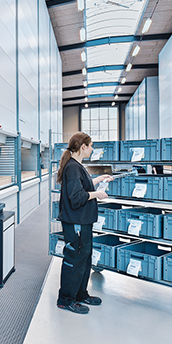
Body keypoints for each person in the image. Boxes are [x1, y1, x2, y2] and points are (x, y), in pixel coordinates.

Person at [56, 132, 114, 314]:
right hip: (76, 223)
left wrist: (100, 179)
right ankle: (65, 299)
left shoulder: (77, 166)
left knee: (84, 258)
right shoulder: (72, 167)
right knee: (75, 259)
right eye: (90, 146)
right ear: (82, 147)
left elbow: (83, 185)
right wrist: (98, 194)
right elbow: (76, 197)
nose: (92, 149)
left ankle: (80, 294)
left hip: (83, 222)